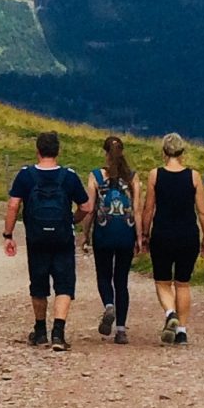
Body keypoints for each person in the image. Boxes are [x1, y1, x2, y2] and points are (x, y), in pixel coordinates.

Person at [4, 131, 92, 352]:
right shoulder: (69, 176)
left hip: (36, 237)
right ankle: (59, 334)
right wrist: (73, 220)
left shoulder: (26, 176)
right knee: (64, 284)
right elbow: (86, 206)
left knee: (39, 284)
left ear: (38, 150)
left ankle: (40, 331)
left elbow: (13, 205)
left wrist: (8, 234)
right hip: (62, 237)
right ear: (58, 151)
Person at [136, 133, 204, 345]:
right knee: (183, 284)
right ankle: (182, 330)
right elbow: (203, 211)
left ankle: (170, 313)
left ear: (163, 152)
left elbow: (149, 208)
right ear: (183, 152)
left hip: (163, 233)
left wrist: (145, 234)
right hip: (188, 234)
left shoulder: (155, 175)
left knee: (162, 281)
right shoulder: (193, 176)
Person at [88, 136, 139, 343]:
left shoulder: (96, 176)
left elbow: (90, 209)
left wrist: (84, 235)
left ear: (105, 153)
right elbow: (137, 209)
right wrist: (140, 236)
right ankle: (121, 330)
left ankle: (109, 305)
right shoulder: (132, 177)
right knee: (122, 281)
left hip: (103, 232)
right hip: (126, 233)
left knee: (103, 275)